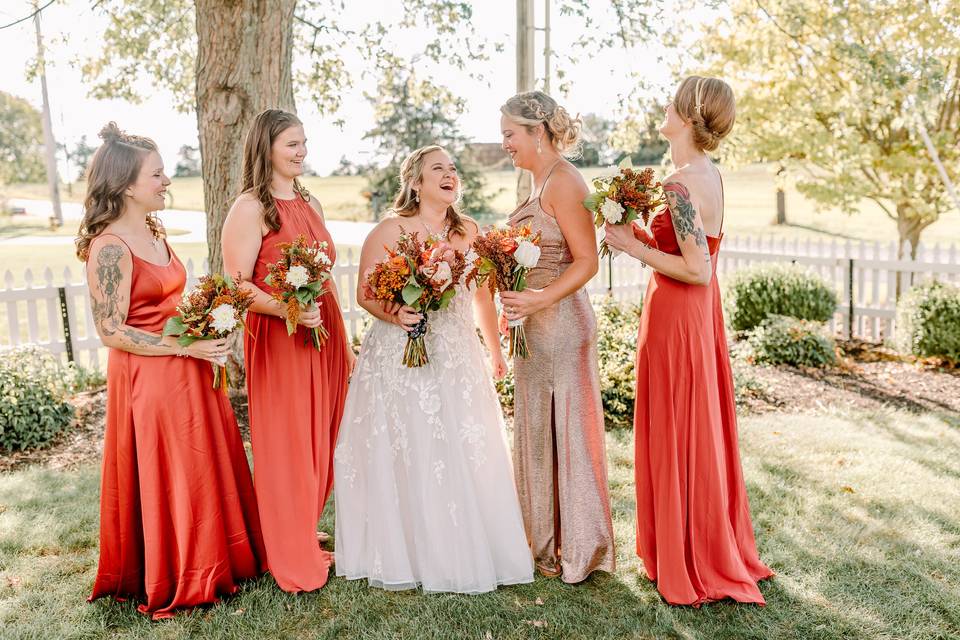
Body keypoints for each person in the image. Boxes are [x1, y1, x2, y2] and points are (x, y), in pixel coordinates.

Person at [81, 122, 264, 620]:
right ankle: (185, 571)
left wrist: (205, 327)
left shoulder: (154, 230)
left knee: (204, 465)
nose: (166, 182)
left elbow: (169, 303)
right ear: (124, 185)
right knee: (177, 472)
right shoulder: (111, 247)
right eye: (157, 175)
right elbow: (112, 331)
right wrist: (187, 346)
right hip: (152, 378)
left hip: (190, 365)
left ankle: (224, 557)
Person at [603, 76, 774, 605]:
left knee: (679, 423)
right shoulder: (706, 174)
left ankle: (688, 554)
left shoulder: (681, 184)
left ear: (688, 115)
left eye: (670, 102)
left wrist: (631, 246)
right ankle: (682, 543)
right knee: (688, 422)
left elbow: (697, 269)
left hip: (682, 311)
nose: (663, 107)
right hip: (693, 314)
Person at [334, 145, 534, 594]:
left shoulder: (471, 231)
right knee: (414, 444)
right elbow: (367, 293)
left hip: (458, 352)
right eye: (437, 169)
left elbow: (481, 296)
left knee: (464, 443)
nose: (449, 174)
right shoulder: (390, 230)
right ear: (416, 182)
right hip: (404, 352)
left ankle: (468, 543)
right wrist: (395, 315)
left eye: (453, 169)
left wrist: (494, 349)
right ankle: (412, 548)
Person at [221, 109, 354, 593]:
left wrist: (346, 343)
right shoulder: (250, 208)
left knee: (323, 437)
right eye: (292, 145)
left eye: (304, 143)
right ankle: (290, 553)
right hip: (280, 340)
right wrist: (287, 310)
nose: (302, 152)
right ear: (267, 149)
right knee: (288, 442)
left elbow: (324, 276)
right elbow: (237, 286)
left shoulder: (308, 199)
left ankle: (299, 531)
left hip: (325, 335)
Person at [500, 91, 616, 583]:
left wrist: (540, 299)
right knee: (536, 431)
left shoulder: (566, 181)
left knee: (565, 431)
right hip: (532, 327)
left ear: (537, 133)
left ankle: (579, 547)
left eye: (510, 133)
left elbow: (587, 260)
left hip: (561, 326)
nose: (504, 142)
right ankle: (541, 543)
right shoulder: (535, 179)